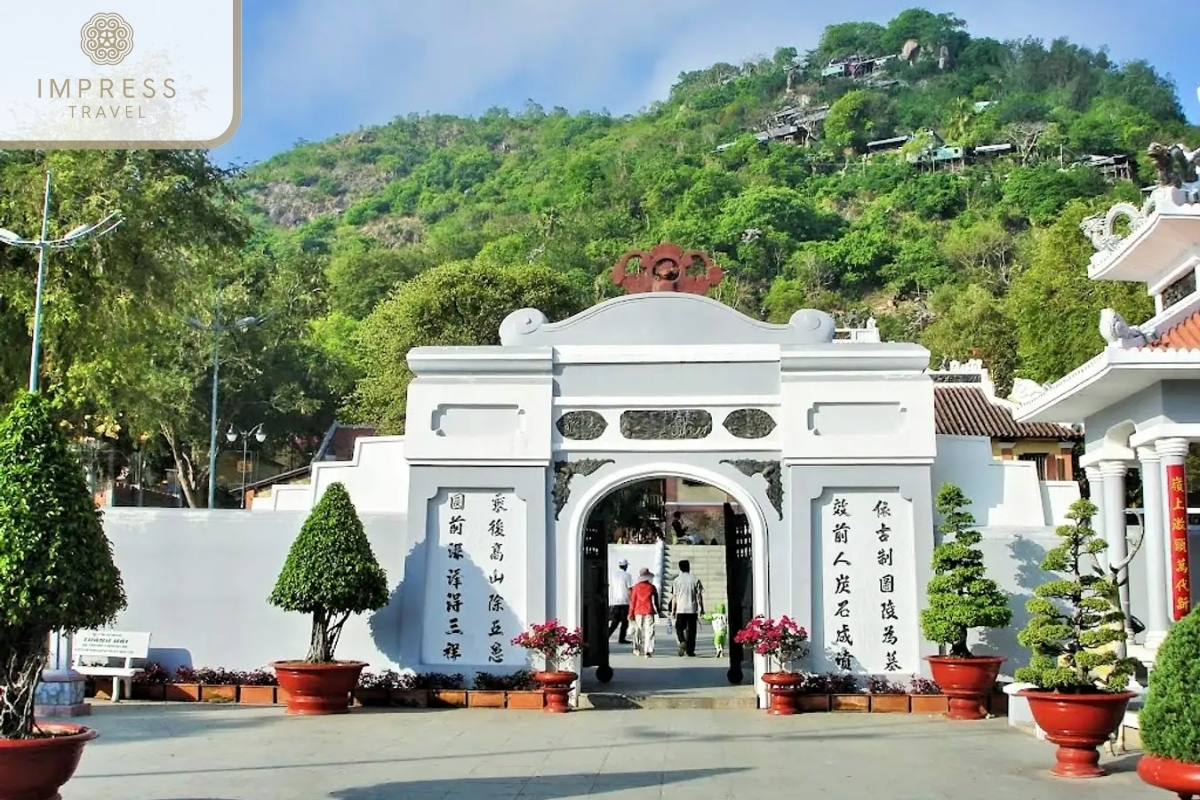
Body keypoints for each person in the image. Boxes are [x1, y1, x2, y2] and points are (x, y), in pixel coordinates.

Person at [670, 559, 704, 657]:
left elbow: (674, 597)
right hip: (692, 609)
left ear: (680, 568)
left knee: (679, 628)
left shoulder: (676, 580)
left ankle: (682, 641)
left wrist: (673, 610)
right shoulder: (695, 579)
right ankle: (690, 651)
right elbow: (699, 596)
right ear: (689, 567)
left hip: (681, 609)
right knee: (692, 631)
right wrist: (702, 608)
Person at [627, 568, 659, 657]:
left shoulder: (636, 587)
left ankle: (637, 648)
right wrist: (658, 608)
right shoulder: (652, 587)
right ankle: (648, 650)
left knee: (638, 630)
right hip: (649, 610)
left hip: (638, 611)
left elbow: (632, 601)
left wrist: (630, 613)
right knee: (649, 631)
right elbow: (656, 599)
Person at [607, 558, 633, 644]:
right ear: (625, 566)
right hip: (625, 601)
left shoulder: (614, 575)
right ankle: (622, 638)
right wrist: (632, 600)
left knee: (614, 622)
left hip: (615, 601)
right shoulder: (627, 575)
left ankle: (606, 636)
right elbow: (629, 589)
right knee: (625, 622)